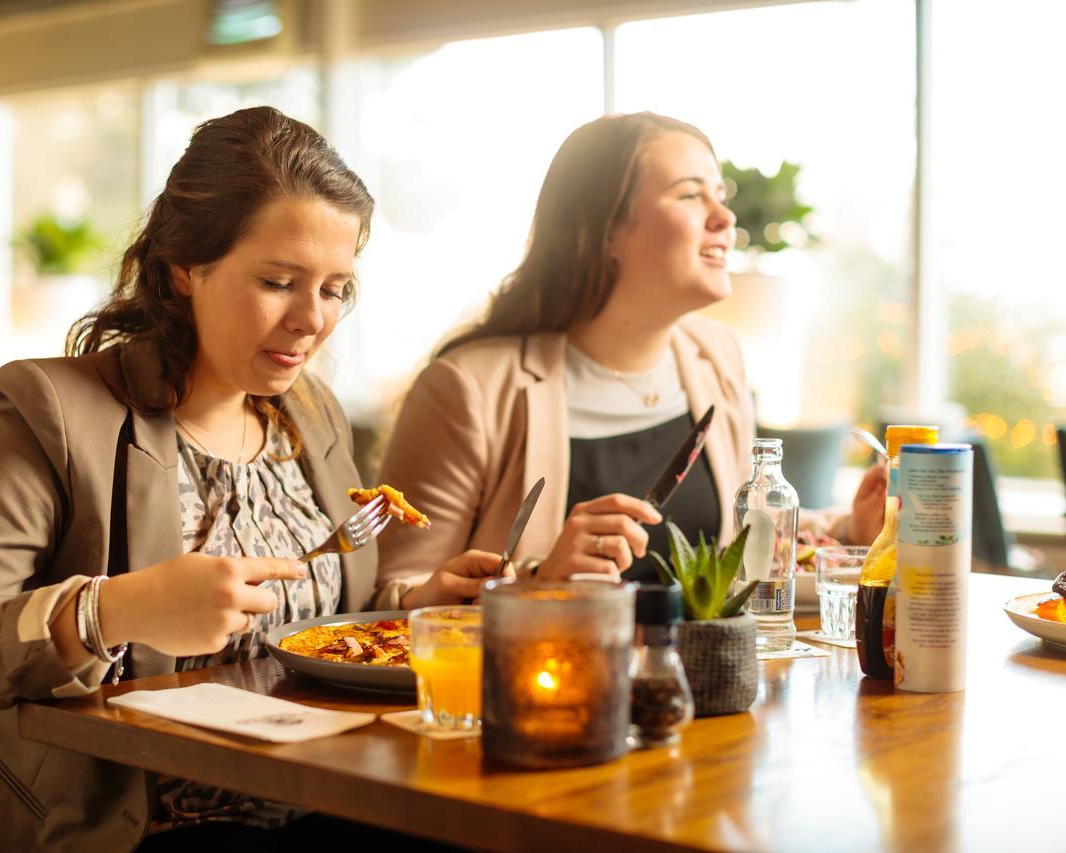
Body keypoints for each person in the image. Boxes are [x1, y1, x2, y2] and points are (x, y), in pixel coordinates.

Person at [0, 107, 496, 851]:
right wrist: (115, 608)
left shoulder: (310, 412)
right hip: (128, 823)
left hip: (319, 795)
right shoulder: (56, 413)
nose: (311, 321)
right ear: (183, 267)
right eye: (279, 280)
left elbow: (313, 615)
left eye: (334, 289)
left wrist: (419, 607)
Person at [373, 111, 885, 603]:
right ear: (605, 230)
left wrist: (851, 531)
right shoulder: (466, 389)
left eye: (720, 196)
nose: (725, 218)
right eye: (689, 194)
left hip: (700, 685)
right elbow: (392, 598)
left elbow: (736, 548)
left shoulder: (717, 357)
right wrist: (538, 583)